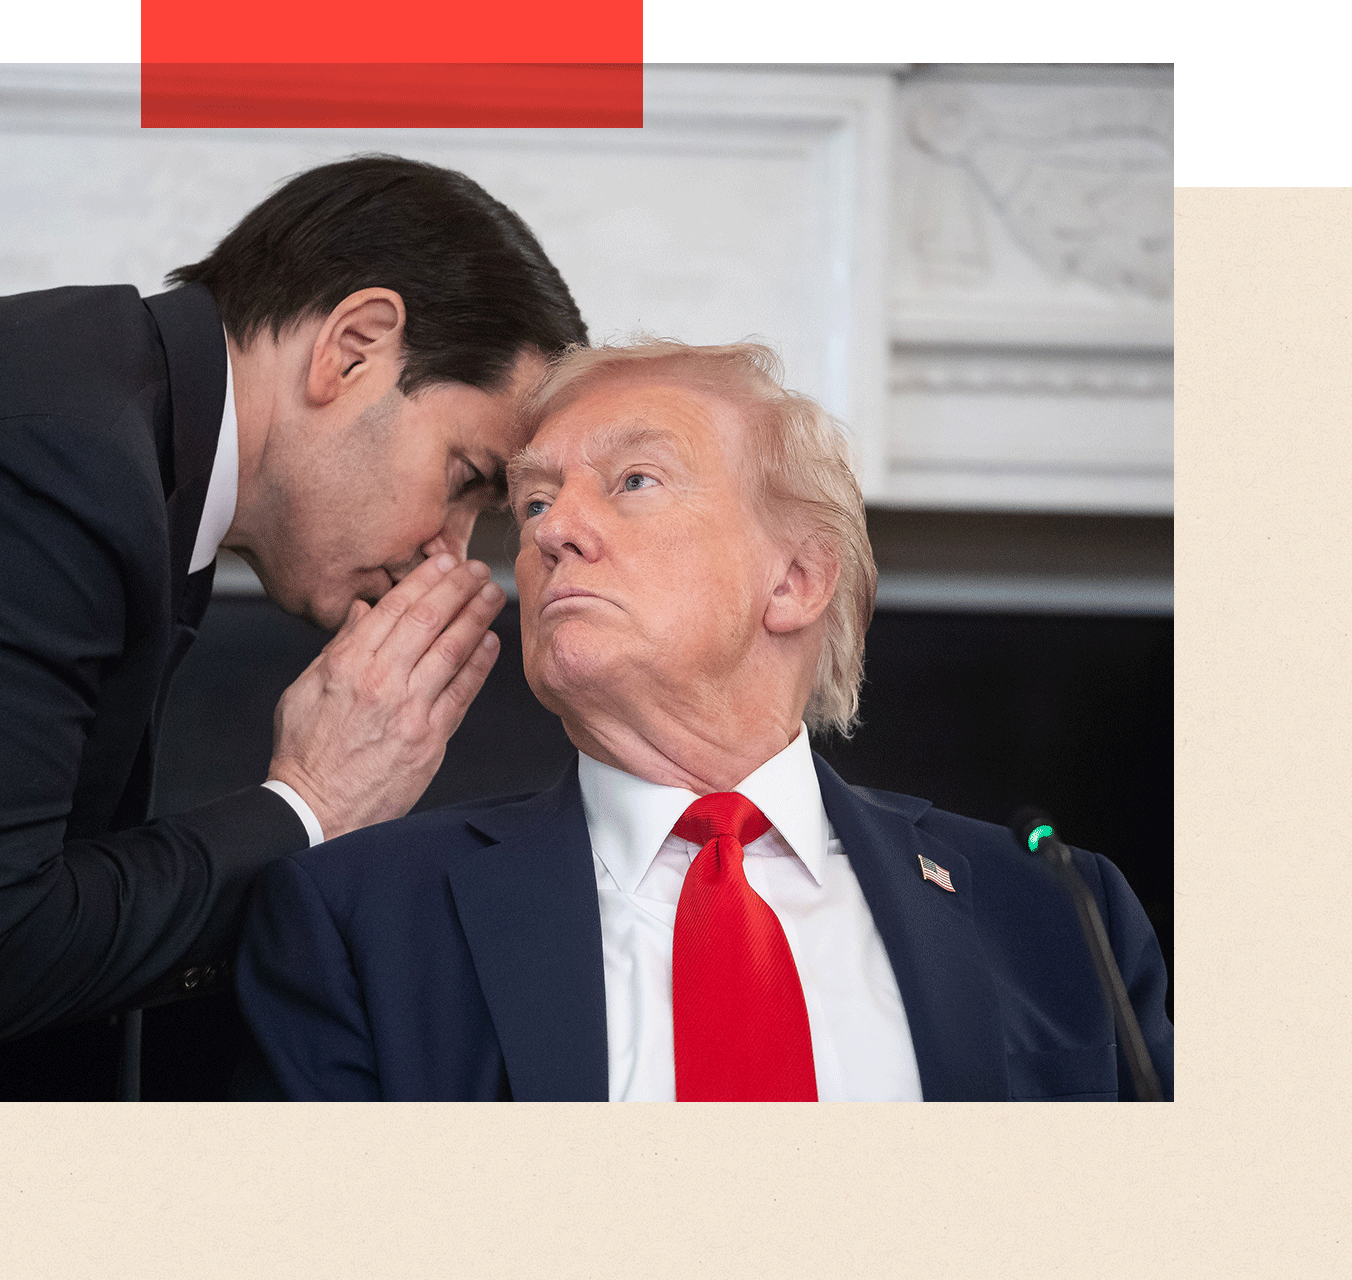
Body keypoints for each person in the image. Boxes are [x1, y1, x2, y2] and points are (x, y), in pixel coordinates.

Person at [0, 154, 588, 1100]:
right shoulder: (47, 461)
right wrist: (311, 803)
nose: (451, 551)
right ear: (353, 346)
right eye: (467, 480)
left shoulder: (110, 422)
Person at [235, 339, 1174, 1101]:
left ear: (796, 581)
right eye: (532, 501)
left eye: (635, 480)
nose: (552, 529)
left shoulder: (1056, 911)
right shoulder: (361, 917)